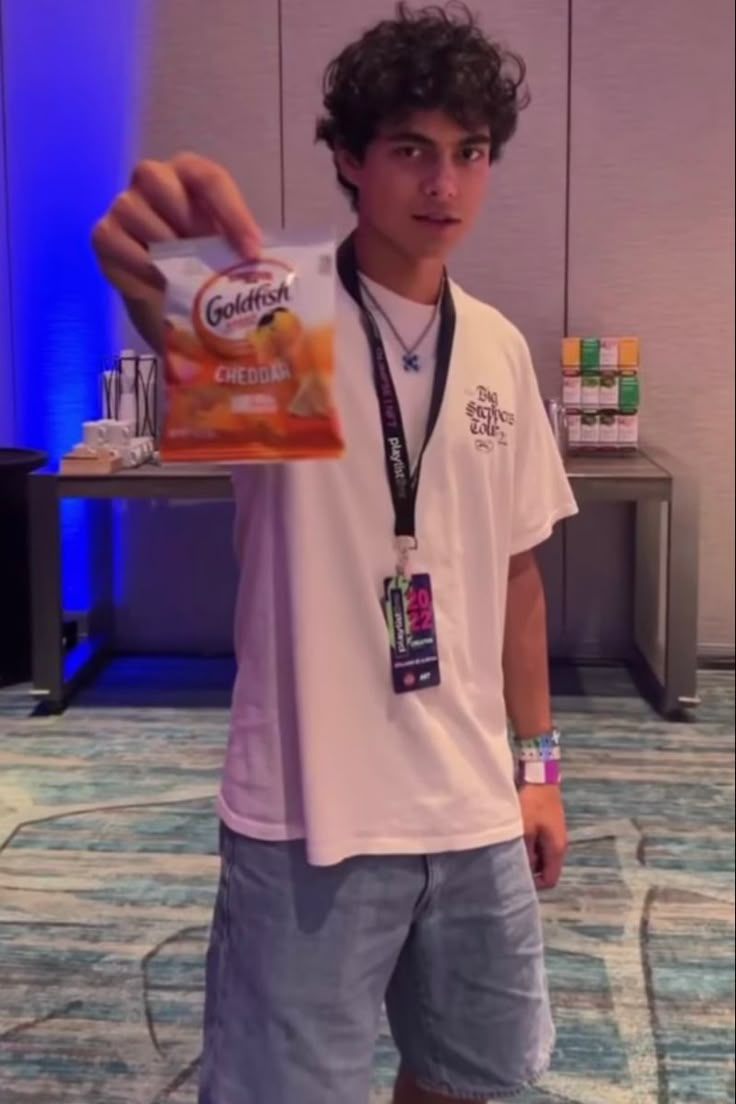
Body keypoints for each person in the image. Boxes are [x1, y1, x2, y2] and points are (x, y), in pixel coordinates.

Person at [92, 4, 579, 1101]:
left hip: (469, 808)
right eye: (411, 149)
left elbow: (517, 575)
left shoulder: (496, 346)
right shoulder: (286, 319)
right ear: (351, 160)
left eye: (469, 153)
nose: (442, 184)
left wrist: (537, 773)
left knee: (478, 1080)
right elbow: (162, 311)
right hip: (307, 813)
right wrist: (140, 266)